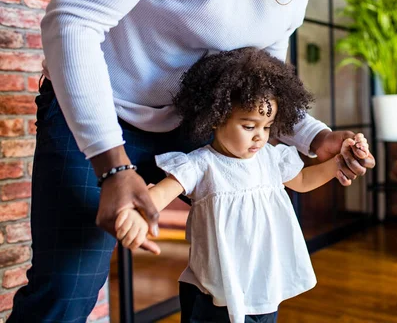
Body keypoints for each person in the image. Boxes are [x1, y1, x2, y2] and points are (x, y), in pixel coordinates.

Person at [8, 0, 387, 321]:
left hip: (194, 121)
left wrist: (318, 137)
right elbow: (72, 21)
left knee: (242, 266)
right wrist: (113, 165)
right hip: (98, 114)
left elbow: (260, 90)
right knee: (67, 290)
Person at [115, 48, 370, 323]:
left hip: (262, 287)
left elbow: (304, 180)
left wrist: (336, 165)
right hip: (214, 293)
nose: (260, 137)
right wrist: (135, 215)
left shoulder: (270, 158)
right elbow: (160, 194)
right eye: (249, 127)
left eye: (267, 127)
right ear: (216, 117)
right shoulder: (201, 165)